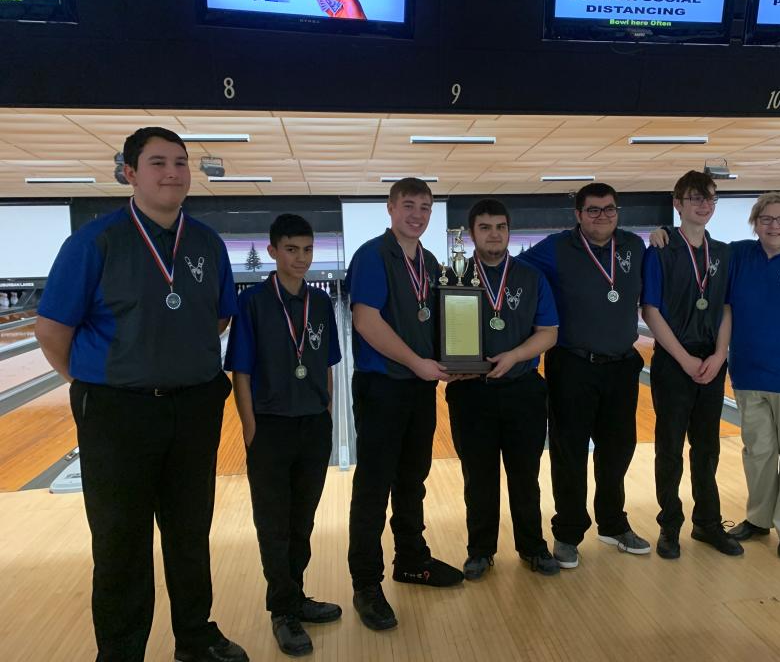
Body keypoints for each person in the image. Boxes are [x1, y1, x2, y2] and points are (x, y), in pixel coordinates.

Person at [35, 127, 247, 662]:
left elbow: (219, 316)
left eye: (180, 162)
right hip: (116, 414)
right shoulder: (94, 242)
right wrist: (101, 386)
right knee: (120, 543)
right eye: (158, 163)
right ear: (129, 173)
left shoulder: (206, 243)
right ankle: (122, 652)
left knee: (189, 533)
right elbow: (52, 331)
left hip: (193, 406)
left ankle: (194, 639)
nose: (172, 172)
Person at [650, 191, 780, 560]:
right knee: (757, 453)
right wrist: (662, 231)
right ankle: (758, 519)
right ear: (755, 223)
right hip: (750, 377)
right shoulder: (738, 256)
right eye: (766, 219)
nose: (774, 226)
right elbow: (694, 242)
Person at [346, 177, 463, 632]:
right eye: (409, 205)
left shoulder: (431, 262)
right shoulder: (373, 256)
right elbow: (365, 320)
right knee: (374, 487)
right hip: (383, 386)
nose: (418, 214)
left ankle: (411, 558)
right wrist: (418, 362)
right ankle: (366, 583)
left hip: (418, 386)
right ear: (391, 209)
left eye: (426, 207)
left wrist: (452, 358)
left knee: (413, 478)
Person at [225, 214, 342, 657]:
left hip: (313, 424)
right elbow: (242, 370)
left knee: (303, 521)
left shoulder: (322, 303)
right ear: (273, 251)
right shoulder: (253, 302)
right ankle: (282, 611)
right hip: (270, 426)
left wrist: (326, 413)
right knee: (274, 524)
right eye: (291, 249)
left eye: (307, 250)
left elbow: (327, 365)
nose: (301, 258)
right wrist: (250, 427)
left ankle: (296, 596)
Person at [520, 182, 650, 569]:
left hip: (622, 366)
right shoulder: (556, 247)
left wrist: (667, 235)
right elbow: (513, 273)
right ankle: (568, 533)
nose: (602, 216)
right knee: (569, 453)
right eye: (593, 210)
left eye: (609, 209)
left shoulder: (634, 246)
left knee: (617, 450)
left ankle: (613, 523)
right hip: (572, 364)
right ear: (578, 215)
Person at [445, 199, 560, 580]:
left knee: (525, 475)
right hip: (470, 392)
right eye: (485, 227)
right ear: (472, 233)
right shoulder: (454, 276)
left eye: (500, 227)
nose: (494, 234)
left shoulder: (530, 277)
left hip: (522, 389)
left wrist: (513, 355)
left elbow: (548, 333)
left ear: (509, 231)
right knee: (478, 477)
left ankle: (532, 547)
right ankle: (480, 551)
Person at [640, 172, 742, 560]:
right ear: (678, 203)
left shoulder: (724, 253)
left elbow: (727, 307)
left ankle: (708, 523)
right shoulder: (660, 251)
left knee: (707, 447)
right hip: (673, 360)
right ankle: (670, 525)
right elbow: (650, 310)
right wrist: (685, 359)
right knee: (669, 448)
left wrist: (719, 356)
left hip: (712, 361)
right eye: (696, 198)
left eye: (710, 199)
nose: (704, 205)